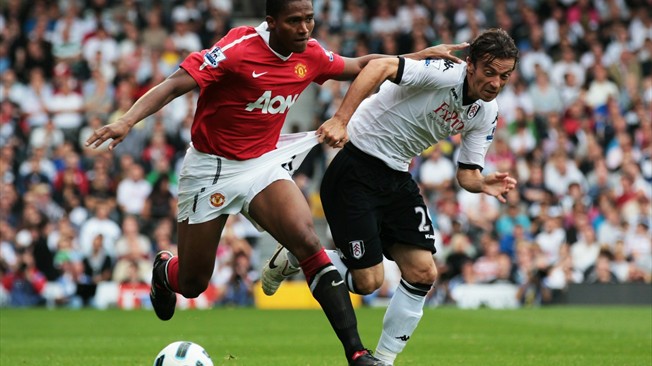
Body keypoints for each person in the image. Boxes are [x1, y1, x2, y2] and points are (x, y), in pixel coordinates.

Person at [85, 0, 465, 364]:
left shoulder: (311, 54)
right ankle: (164, 272)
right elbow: (175, 83)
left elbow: (361, 64)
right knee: (194, 282)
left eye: (309, 19)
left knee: (307, 241)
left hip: (262, 164)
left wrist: (418, 57)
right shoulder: (237, 48)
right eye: (294, 21)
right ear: (271, 21)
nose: (304, 28)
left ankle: (357, 353)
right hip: (211, 168)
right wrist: (127, 120)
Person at [262, 28, 519, 365]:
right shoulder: (444, 71)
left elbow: (467, 174)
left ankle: (382, 361)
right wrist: (341, 119)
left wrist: (483, 184)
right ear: (470, 65)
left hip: (397, 176)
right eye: (490, 72)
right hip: (356, 164)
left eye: (505, 76)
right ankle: (304, 253)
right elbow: (379, 67)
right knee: (368, 282)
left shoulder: (486, 112)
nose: (496, 83)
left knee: (423, 272)